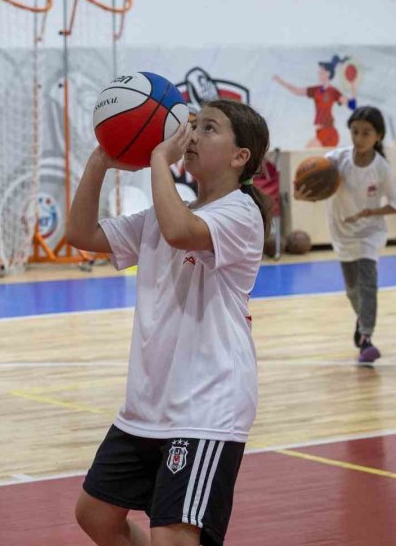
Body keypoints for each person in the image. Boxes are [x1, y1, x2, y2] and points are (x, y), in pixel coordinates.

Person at [65, 99, 272, 546]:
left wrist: (157, 157)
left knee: (173, 539)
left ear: (241, 157)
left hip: (206, 404)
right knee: (96, 516)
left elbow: (181, 231)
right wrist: (100, 160)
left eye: (209, 129)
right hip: (148, 403)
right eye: (193, 126)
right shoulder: (164, 214)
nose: (192, 135)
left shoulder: (241, 213)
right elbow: (81, 234)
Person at [295, 106, 396, 364]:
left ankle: (366, 338)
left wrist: (369, 212)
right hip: (342, 232)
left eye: (366, 133)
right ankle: (362, 320)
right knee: (353, 291)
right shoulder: (335, 160)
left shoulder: (382, 168)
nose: (359, 138)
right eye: (355, 132)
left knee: (368, 285)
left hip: (370, 233)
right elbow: (306, 184)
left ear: (378, 136)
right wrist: (301, 194)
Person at [273, 55, 357, 148]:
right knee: (306, 154)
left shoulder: (333, 91)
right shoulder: (316, 90)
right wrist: (280, 81)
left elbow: (352, 106)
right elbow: (297, 91)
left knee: (306, 154)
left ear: (328, 74)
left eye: (321, 71)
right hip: (320, 133)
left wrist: (353, 86)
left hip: (329, 133)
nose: (318, 73)